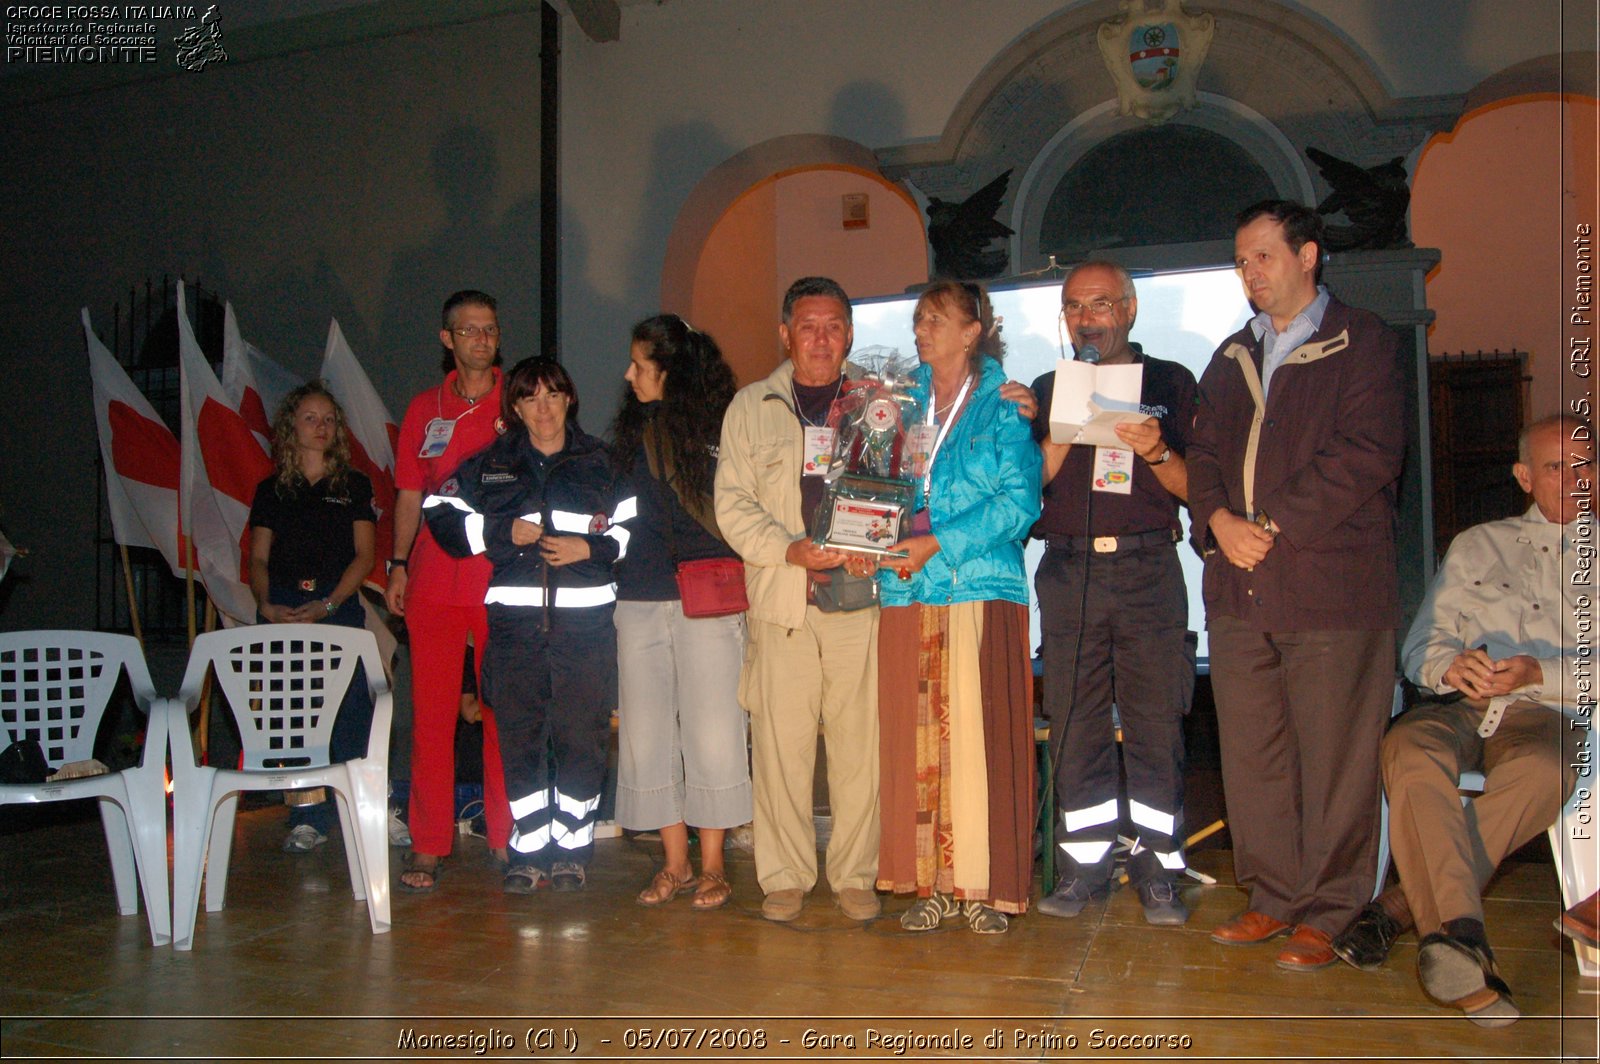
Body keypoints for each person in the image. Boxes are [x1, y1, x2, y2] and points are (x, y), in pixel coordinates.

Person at [1187, 199, 1406, 970]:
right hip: (1239, 591)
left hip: (1330, 590)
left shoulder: (1363, 340)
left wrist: (1267, 525)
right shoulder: (1228, 354)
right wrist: (1215, 519)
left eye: (1264, 257)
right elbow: (1203, 452)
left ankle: (1332, 908)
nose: (1250, 273)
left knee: (1336, 758)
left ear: (1308, 256)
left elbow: (1367, 454)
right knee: (1253, 756)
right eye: (1241, 261)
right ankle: (1273, 897)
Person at [1330, 414, 1589, 1026]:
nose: (1576, 478)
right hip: (1461, 706)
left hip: (1547, 714)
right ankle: (1462, 933)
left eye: (1587, 464)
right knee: (1409, 751)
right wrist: (1451, 669)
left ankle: (1404, 913)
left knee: (1545, 771)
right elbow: (1423, 645)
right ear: (1525, 476)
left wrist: (1538, 675)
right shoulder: (1478, 543)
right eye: (1558, 467)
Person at [1029, 261, 1197, 926]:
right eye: (1074, 306)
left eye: (1100, 303)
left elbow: (1197, 489)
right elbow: (1025, 490)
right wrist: (1049, 432)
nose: (1086, 317)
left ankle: (1158, 873)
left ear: (1129, 310)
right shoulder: (1045, 387)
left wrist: (1156, 451)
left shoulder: (1172, 383)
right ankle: (1083, 870)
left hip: (1148, 571)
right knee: (1074, 726)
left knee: (1156, 725)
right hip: (1069, 571)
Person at [424, 357, 630, 893]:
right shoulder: (491, 463)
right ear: (514, 406)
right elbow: (437, 509)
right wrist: (498, 532)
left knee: (581, 738)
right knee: (519, 738)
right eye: (531, 397)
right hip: (514, 629)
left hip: (586, 631)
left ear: (569, 401)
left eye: (553, 396)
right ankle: (529, 850)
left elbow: (636, 528)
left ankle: (572, 849)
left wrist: (592, 547)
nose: (544, 408)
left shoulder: (603, 463)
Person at [714, 276, 883, 924]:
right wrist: (788, 549)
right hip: (784, 601)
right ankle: (783, 876)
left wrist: (882, 540)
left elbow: (904, 485)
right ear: (785, 334)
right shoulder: (751, 407)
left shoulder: (878, 402)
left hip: (859, 602)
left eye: (834, 325)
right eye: (807, 326)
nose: (820, 338)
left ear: (849, 334)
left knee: (858, 749)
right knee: (781, 749)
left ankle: (855, 875)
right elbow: (730, 502)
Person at [875, 281, 1041, 933]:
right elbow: (870, 486)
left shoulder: (1003, 407)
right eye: (918, 317)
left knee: (979, 742)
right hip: (905, 590)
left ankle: (981, 887)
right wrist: (868, 534)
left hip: (978, 589)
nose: (922, 329)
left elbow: (1019, 503)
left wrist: (936, 541)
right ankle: (928, 888)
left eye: (937, 319)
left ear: (973, 331)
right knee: (916, 741)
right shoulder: (894, 404)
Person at [610, 314, 752, 911]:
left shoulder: (722, 428)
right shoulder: (624, 434)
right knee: (645, 733)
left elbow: (737, 515)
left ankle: (714, 864)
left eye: (640, 364)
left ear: (670, 369)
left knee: (714, 730)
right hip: (639, 598)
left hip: (707, 598)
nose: (629, 374)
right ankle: (675, 862)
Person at [386, 290, 513, 892]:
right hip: (434, 577)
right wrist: (396, 564)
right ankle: (429, 844)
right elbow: (409, 494)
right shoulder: (423, 409)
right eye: (468, 331)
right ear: (447, 340)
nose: (480, 340)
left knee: (501, 711)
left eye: (488, 330)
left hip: (498, 576)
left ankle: (507, 837)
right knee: (432, 717)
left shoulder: (520, 400)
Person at [247, 381, 376, 853]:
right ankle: (306, 813)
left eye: (328, 419)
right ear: (290, 426)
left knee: (351, 707)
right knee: (293, 712)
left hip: (336, 605)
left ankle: (367, 808)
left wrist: (329, 604)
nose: (320, 427)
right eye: (310, 418)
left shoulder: (353, 485)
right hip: (282, 605)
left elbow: (364, 556)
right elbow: (258, 558)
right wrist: (265, 603)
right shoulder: (271, 490)